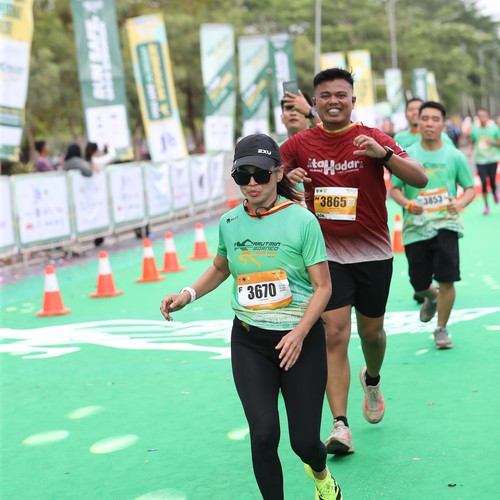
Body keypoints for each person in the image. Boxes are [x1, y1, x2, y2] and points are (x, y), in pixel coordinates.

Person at [160, 134, 342, 500]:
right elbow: (221, 266)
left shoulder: (303, 221)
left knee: (304, 442)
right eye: (242, 176)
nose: (252, 184)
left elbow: (323, 287)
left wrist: (299, 334)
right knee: (263, 434)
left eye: (260, 174)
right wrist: (187, 294)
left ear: (278, 173)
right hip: (249, 341)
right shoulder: (229, 221)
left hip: (300, 342)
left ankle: (321, 475)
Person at [280, 67, 428, 456]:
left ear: (353, 100)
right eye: (325, 96)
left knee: (372, 334)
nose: (333, 101)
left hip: (373, 252)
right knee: (335, 334)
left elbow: (420, 178)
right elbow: (264, 178)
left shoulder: (374, 137)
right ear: (314, 103)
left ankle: (372, 379)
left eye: (341, 95)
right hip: (326, 255)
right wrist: (285, 180)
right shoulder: (298, 143)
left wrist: (385, 156)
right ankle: (340, 425)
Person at [390, 101, 475, 349]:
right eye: (425, 118)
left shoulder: (454, 155)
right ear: (418, 122)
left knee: (447, 279)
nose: (429, 123)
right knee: (418, 282)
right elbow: (394, 189)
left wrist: (460, 203)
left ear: (443, 124)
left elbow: (470, 188)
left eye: (435, 119)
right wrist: (408, 204)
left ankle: (441, 328)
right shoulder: (406, 155)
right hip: (415, 228)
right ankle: (432, 296)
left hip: (447, 224)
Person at [467, 108, 500, 215]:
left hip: (492, 159)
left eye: (484, 116)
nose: (482, 118)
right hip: (480, 161)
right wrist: (470, 151)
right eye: (480, 116)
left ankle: (494, 191)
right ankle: (486, 206)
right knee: (484, 183)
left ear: (487, 116)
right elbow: (472, 141)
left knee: (492, 181)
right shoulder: (475, 130)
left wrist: (491, 142)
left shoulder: (494, 129)